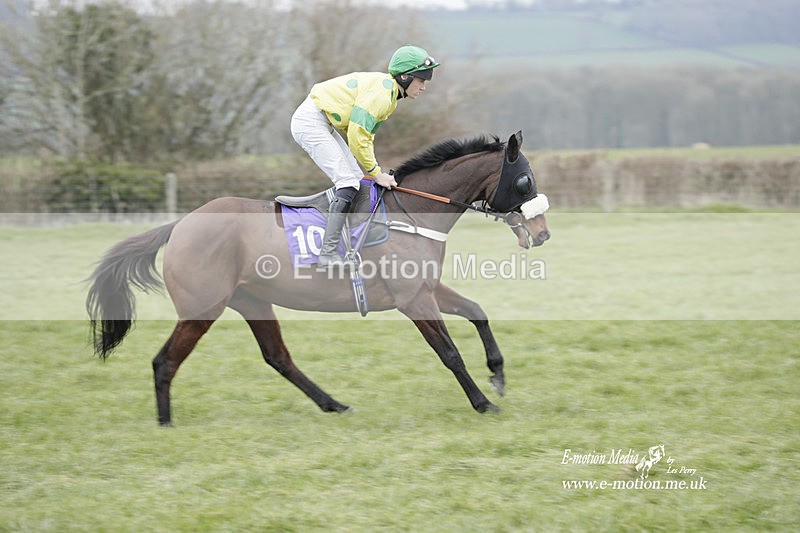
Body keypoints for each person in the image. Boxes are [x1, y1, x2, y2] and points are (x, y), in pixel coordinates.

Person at [290, 44, 440, 269]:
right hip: (311, 122)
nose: (424, 87)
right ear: (406, 77)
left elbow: (365, 138)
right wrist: (377, 173)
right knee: (348, 181)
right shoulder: (382, 94)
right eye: (421, 80)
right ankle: (327, 253)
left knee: (354, 178)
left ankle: (346, 239)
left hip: (322, 121)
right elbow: (358, 137)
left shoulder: (389, 94)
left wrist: (374, 171)